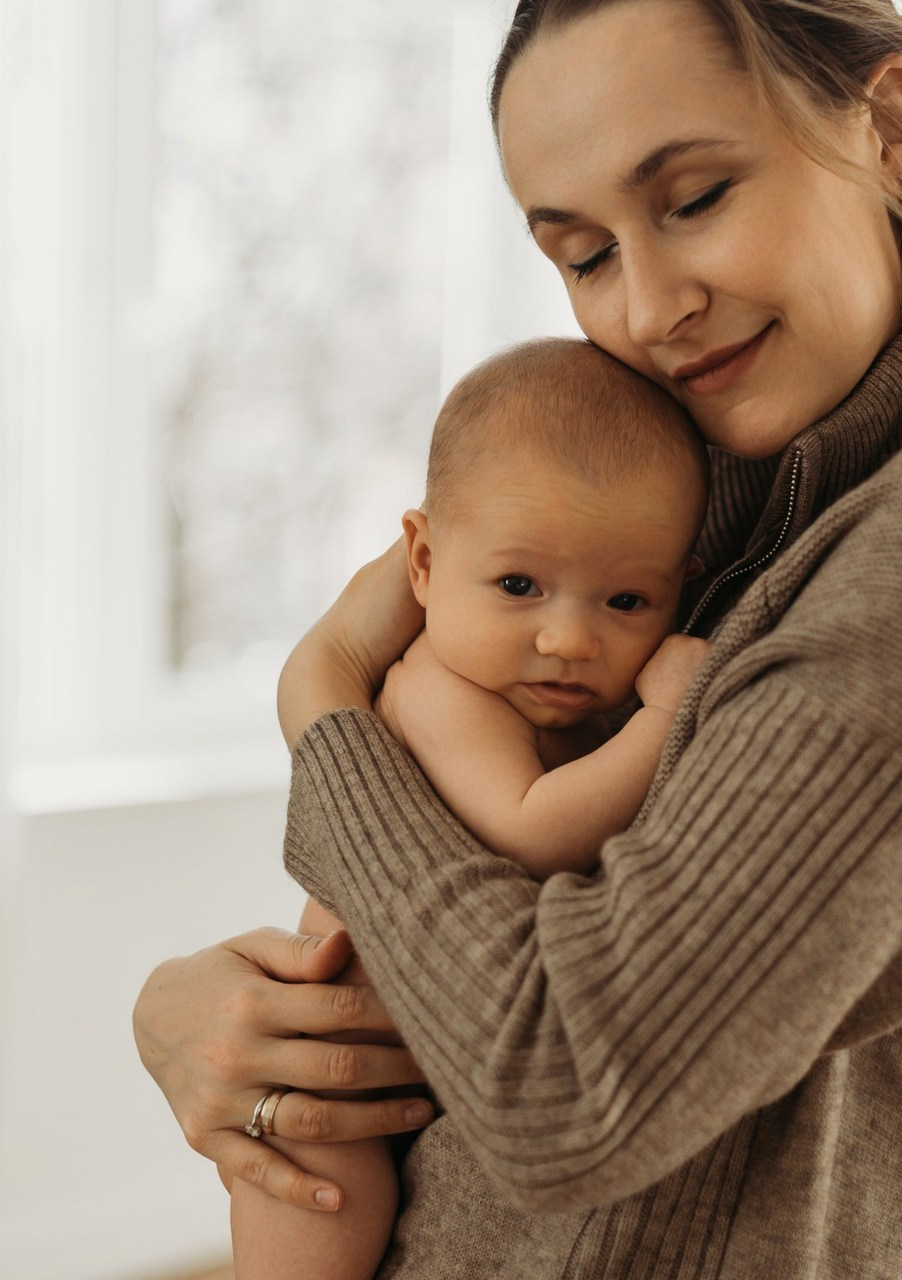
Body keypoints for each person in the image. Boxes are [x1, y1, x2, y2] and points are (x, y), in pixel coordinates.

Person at [134, 2, 902, 1276]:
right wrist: (213, 1020)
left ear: (891, 129)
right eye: (580, 255)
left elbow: (564, 1079)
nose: (647, 307)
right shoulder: (692, 524)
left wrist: (325, 708)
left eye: (692, 199)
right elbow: (484, 937)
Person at [229, 336, 711, 1279]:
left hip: (454, 1064)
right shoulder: (442, 691)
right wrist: (664, 722)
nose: (568, 637)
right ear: (421, 561)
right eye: (518, 586)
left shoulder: (541, 689)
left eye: (626, 599)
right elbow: (529, 826)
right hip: (337, 1078)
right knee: (321, 1201)